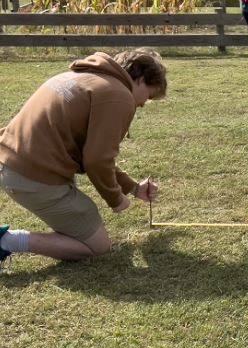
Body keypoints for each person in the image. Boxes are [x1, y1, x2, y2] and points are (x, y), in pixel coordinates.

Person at [0, 50, 167, 266]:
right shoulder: (119, 95)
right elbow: (97, 160)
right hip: (33, 177)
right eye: (149, 96)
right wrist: (116, 199)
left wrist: (133, 188)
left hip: (10, 163)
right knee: (98, 247)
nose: (143, 103)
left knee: (83, 230)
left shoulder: (81, 77)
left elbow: (91, 153)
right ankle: (7, 241)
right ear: (141, 79)